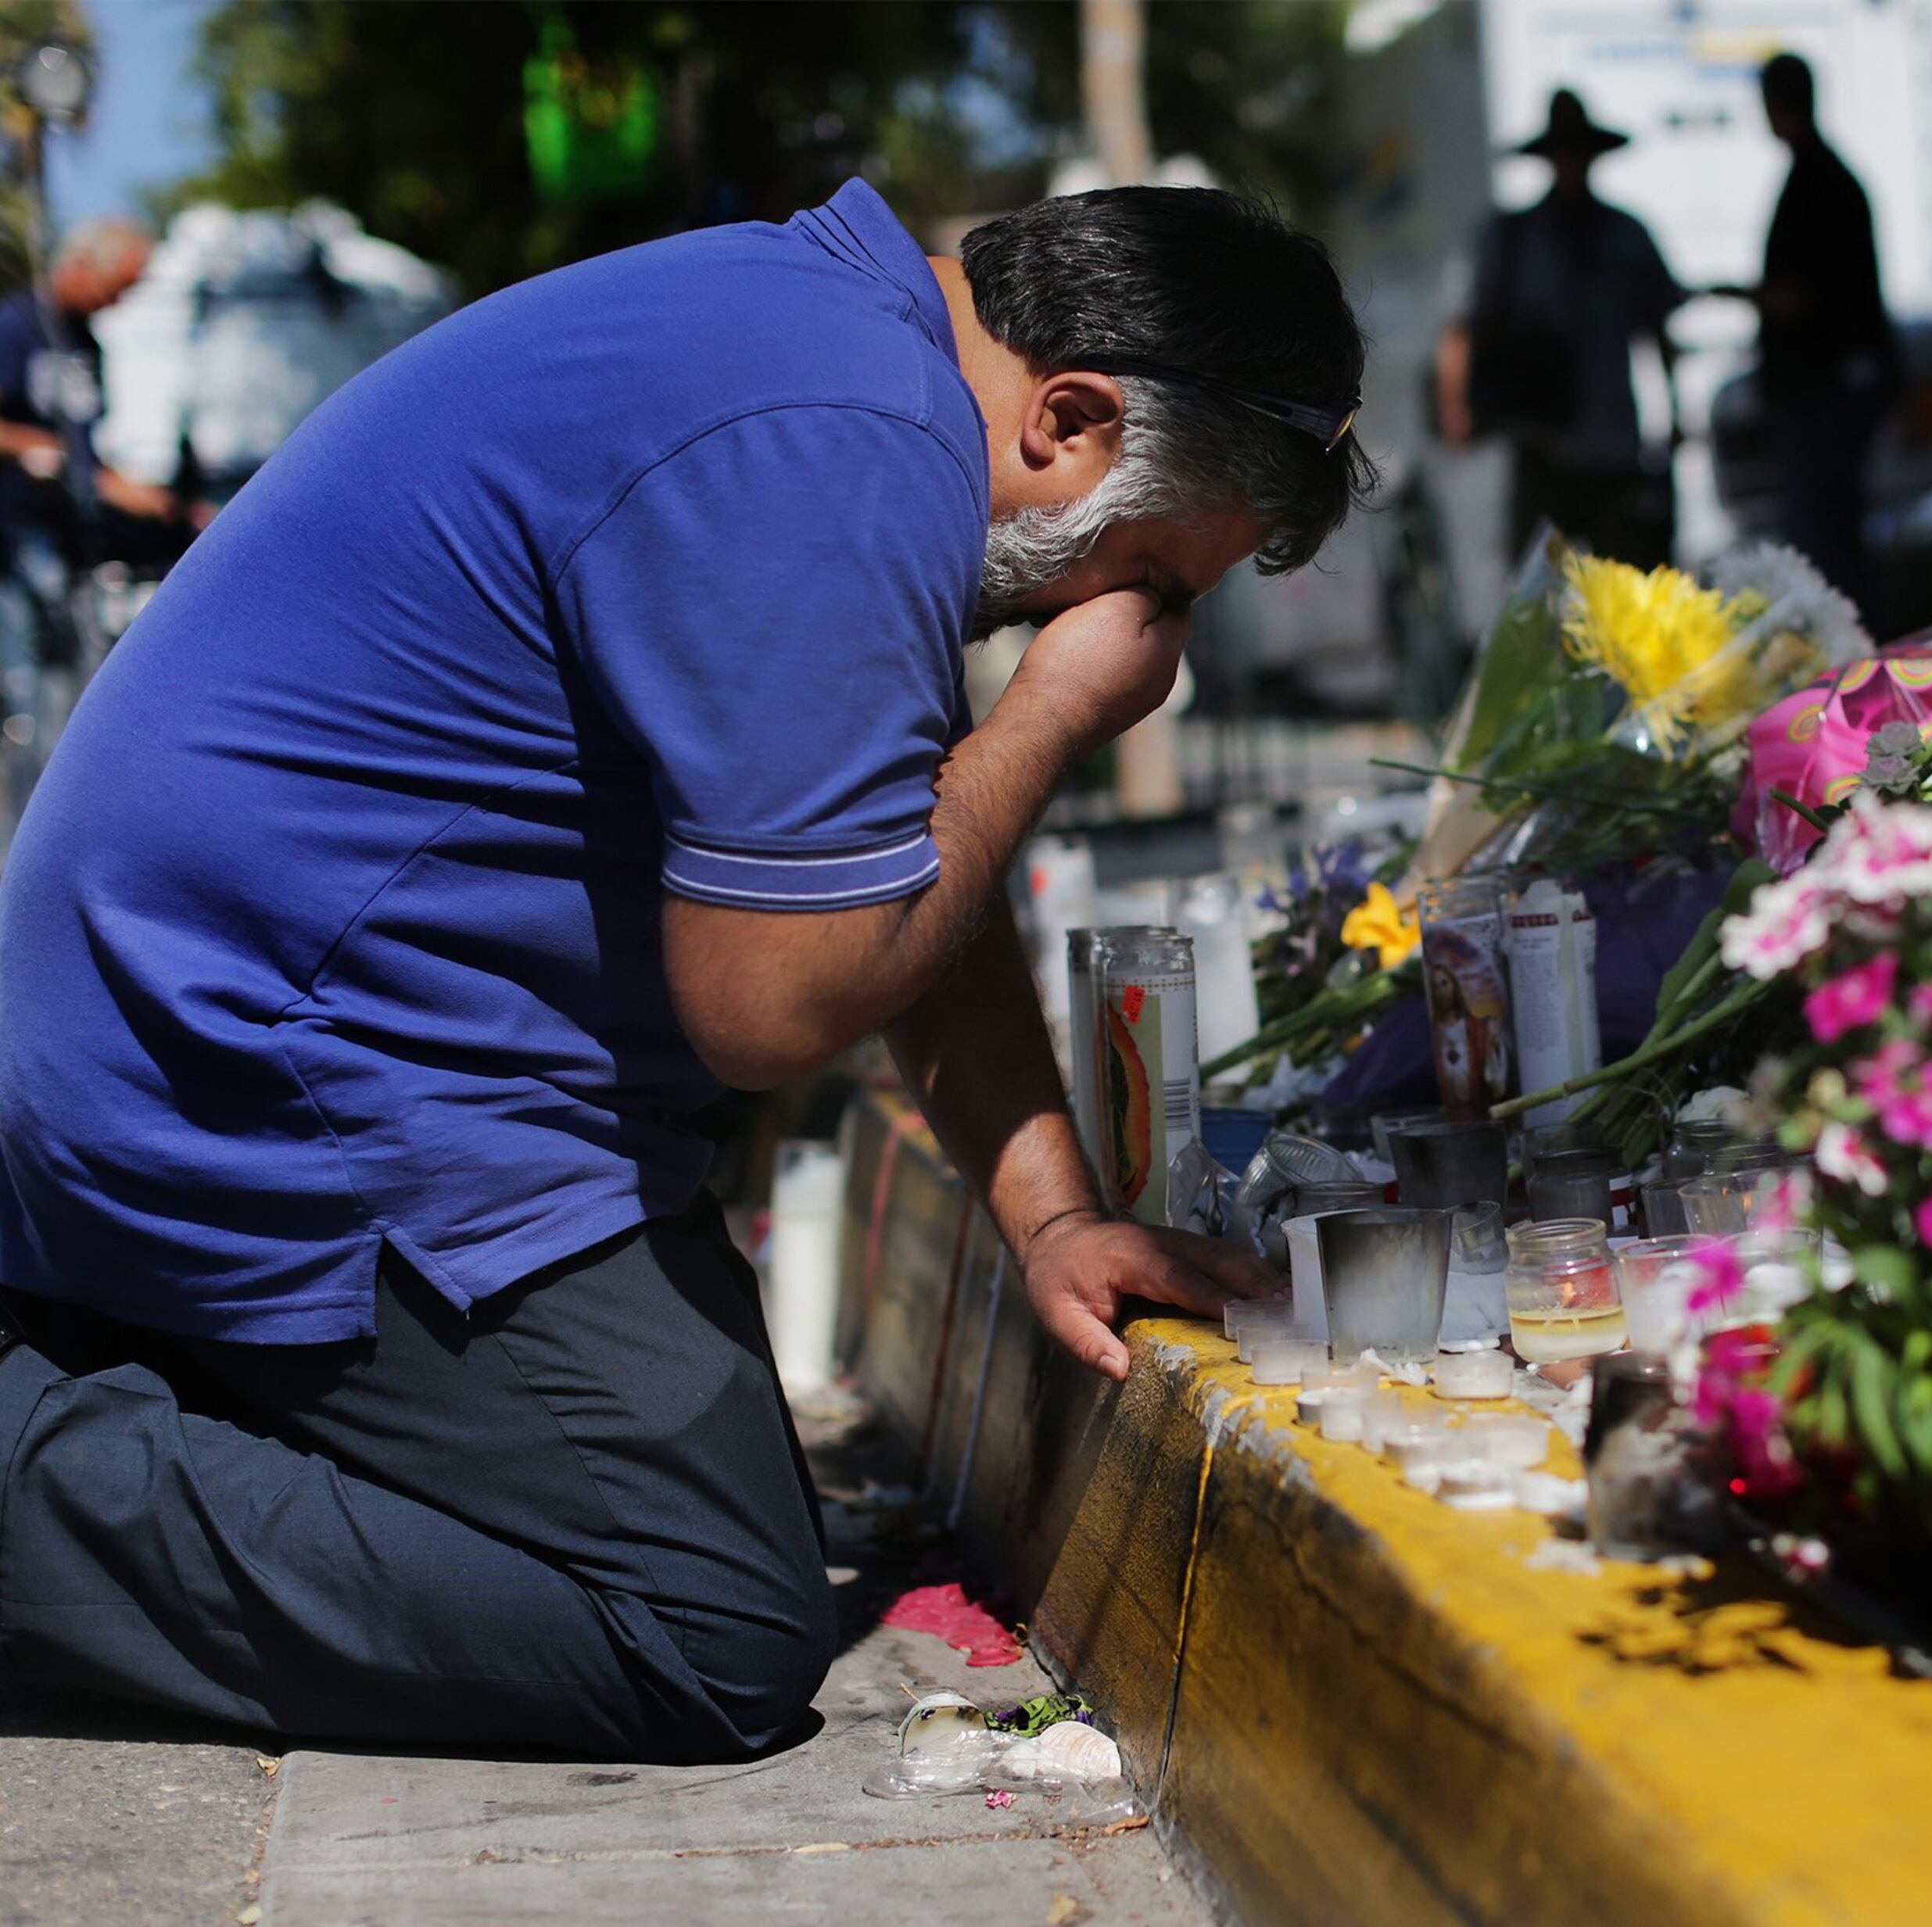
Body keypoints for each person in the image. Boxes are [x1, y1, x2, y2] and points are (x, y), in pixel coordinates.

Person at [0, 182, 1353, 1761]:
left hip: (273, 1028)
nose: (1140, 629)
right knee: (704, 1619)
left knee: (672, 1510)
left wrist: (1053, 1215)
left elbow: (896, 849)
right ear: (1067, 421)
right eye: (1159, 583)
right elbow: (779, 1001)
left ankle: (134, 1376)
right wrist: (1049, 716)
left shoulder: (842, 351)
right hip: (266, 1073)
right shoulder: (829, 445)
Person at [1439, 89, 1684, 567]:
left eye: (1580, 152)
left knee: (1628, 594)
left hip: (1616, 447)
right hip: (1542, 448)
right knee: (1537, 598)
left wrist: (1675, 413)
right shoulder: (1514, 237)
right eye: (1564, 152)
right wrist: (1456, 405)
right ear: (1549, 159)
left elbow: (1659, 328)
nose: (1573, 163)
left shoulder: (1626, 233)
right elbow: (1463, 324)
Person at [0, 220, 197, 808]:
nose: (120, 303)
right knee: (32, 688)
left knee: (75, 680)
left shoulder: (86, 345)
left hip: (68, 536)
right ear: (81, 266)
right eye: (117, 286)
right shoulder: (15, 329)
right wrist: (47, 454)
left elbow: (87, 451)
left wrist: (132, 492)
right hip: (14, 533)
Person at [1730, 52, 1894, 606]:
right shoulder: (1826, 176)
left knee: (1826, 552)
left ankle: (1849, 676)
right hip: (1831, 391)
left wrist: (1735, 295)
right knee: (1832, 541)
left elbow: (1801, 296)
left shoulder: (1815, 183)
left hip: (1822, 394)